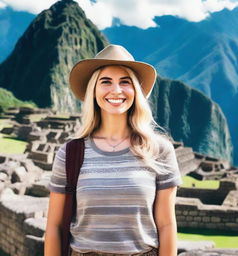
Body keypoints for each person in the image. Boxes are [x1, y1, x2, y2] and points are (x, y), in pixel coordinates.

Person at [44, 44, 182, 256]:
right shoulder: (71, 153)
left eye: (125, 82)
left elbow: (166, 225)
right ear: (94, 90)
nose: (116, 90)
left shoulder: (158, 150)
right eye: (105, 81)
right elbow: (54, 226)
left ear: (135, 90)